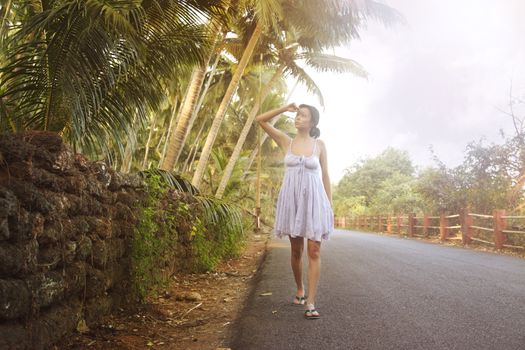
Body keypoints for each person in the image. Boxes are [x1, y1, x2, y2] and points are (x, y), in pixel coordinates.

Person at [256, 102, 334, 320]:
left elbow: (326, 175)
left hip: (315, 202)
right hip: (292, 201)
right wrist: (283, 108)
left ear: (312, 122)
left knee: (314, 250)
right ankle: (299, 288)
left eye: (303, 115)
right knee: (296, 251)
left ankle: (310, 302)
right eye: (297, 115)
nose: (298, 118)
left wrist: (330, 205)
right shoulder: (286, 142)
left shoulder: (320, 145)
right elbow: (260, 119)